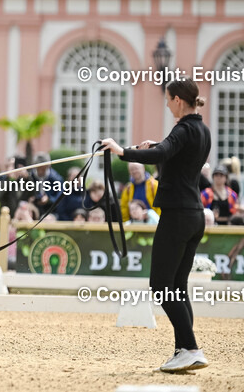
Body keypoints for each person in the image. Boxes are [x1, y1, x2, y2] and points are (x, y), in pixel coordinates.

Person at [101, 79, 210, 373]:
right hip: (194, 214)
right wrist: (155, 147)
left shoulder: (183, 129)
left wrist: (123, 151)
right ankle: (182, 350)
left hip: (176, 215)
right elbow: (173, 158)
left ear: (177, 100)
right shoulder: (202, 131)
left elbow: (163, 154)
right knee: (177, 288)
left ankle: (191, 348)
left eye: (168, 98)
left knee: (161, 287)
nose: (165, 103)